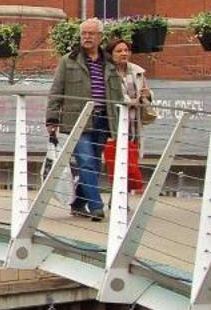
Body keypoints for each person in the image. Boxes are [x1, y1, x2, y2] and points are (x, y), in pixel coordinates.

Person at [46, 18, 122, 222]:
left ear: (100, 37)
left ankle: (79, 203)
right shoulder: (68, 60)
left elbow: (117, 96)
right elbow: (56, 91)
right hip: (77, 121)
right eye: (84, 34)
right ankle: (96, 206)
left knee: (95, 165)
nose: (87, 37)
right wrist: (52, 119)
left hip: (102, 121)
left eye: (91, 34)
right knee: (86, 162)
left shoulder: (109, 63)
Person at [105, 38, 152, 195]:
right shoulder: (107, 72)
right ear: (111, 54)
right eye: (119, 51)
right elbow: (112, 96)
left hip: (133, 124)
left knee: (131, 164)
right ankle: (116, 198)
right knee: (117, 163)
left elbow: (146, 92)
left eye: (126, 50)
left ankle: (121, 199)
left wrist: (147, 95)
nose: (124, 53)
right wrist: (130, 101)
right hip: (114, 124)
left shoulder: (137, 71)